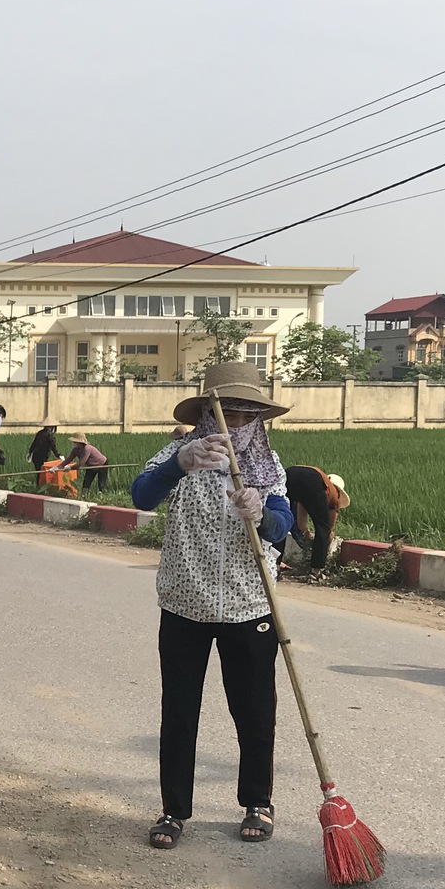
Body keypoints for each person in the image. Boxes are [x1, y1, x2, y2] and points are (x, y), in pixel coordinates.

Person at [130, 361, 296, 849]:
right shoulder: (180, 456)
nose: (238, 426)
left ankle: (257, 802)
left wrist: (262, 513)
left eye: (248, 416)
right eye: (229, 414)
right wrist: (179, 463)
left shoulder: (268, 466)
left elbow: (283, 524)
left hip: (249, 605)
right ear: (207, 412)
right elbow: (142, 496)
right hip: (185, 603)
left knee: (254, 709)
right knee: (179, 710)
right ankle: (173, 810)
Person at [282, 465, 350, 576]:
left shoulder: (308, 492)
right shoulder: (334, 496)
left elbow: (301, 524)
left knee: (282, 516)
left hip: (290, 472)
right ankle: (316, 570)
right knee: (322, 527)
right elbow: (329, 530)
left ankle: (275, 563)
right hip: (312, 479)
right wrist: (324, 549)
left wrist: (308, 536)